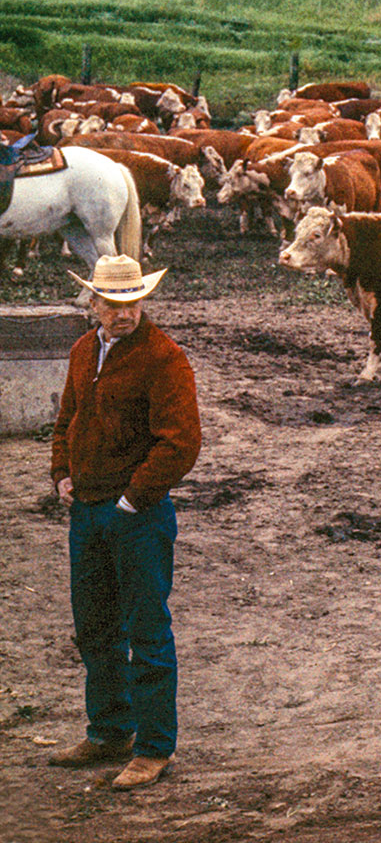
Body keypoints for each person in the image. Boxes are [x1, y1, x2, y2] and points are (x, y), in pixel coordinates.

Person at [48, 255, 201, 790]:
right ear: (92, 304)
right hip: (88, 510)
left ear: (143, 301)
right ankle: (111, 730)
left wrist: (135, 499)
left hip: (136, 516)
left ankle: (154, 748)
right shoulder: (82, 351)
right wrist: (62, 473)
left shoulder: (164, 358)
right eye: (113, 304)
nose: (123, 313)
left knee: (146, 630)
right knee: (94, 627)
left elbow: (181, 441)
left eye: (132, 302)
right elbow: (67, 417)